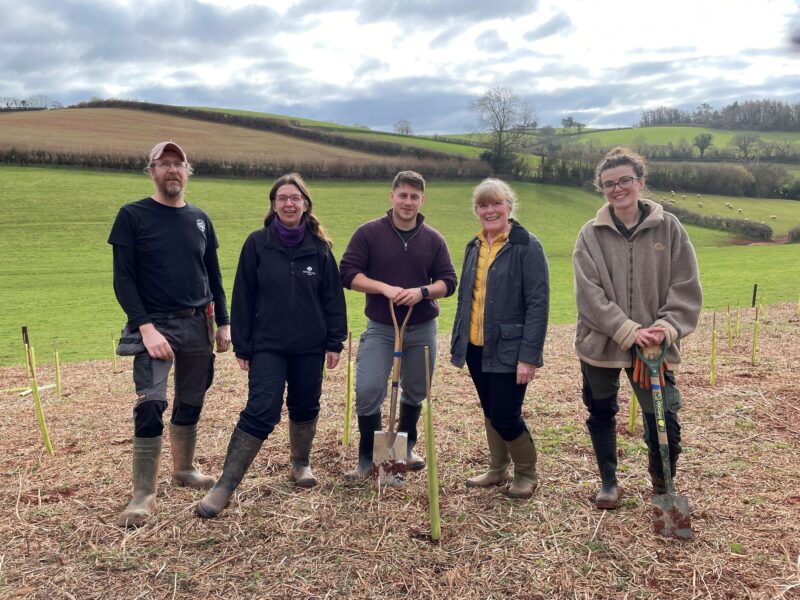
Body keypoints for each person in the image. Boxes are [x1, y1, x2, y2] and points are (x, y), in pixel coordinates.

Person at [197, 173, 347, 518]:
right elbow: (244, 296)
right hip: (268, 345)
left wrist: (334, 340)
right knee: (262, 408)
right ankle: (225, 485)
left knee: (305, 403)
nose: (289, 203)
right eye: (282, 198)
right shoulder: (257, 244)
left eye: (295, 198)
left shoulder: (320, 248)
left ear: (305, 204)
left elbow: (333, 299)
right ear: (274, 205)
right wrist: (243, 346)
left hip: (310, 345)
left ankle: (300, 463)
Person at [109, 141, 231, 528]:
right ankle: (143, 494)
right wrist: (146, 328)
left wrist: (224, 323)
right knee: (150, 403)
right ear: (152, 171)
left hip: (198, 322)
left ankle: (185, 469)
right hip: (154, 324)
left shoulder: (200, 219)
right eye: (165, 164)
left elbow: (213, 275)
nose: (173, 170)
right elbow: (123, 280)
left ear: (187, 171)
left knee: (193, 397)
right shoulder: (132, 215)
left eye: (179, 164)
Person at [573, 147, 702, 509]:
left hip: (654, 347)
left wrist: (664, 328)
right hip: (601, 344)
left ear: (640, 182)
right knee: (601, 412)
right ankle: (609, 482)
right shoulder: (590, 235)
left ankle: (663, 488)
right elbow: (589, 294)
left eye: (625, 180)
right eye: (609, 184)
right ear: (602, 189)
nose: (618, 189)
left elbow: (685, 284)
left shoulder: (670, 228)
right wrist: (628, 330)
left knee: (664, 419)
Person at [339, 170, 457, 481]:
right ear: (392, 196)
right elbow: (348, 273)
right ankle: (368, 459)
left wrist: (422, 293)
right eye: (402, 195)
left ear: (422, 200)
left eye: (414, 196)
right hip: (381, 325)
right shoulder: (369, 233)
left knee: (416, 390)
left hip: (421, 327)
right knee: (368, 389)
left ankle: (403, 453)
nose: (408, 202)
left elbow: (449, 281)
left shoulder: (434, 239)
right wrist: (384, 288)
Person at [450, 179, 549, 499]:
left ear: (509, 206)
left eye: (496, 204)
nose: (489, 210)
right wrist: (460, 341)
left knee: (506, 413)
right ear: (476, 210)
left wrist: (529, 356)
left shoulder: (525, 244)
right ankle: (497, 469)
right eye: (483, 205)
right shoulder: (473, 245)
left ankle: (526, 473)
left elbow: (538, 302)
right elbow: (467, 296)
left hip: (510, 347)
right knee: (491, 409)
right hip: (477, 346)